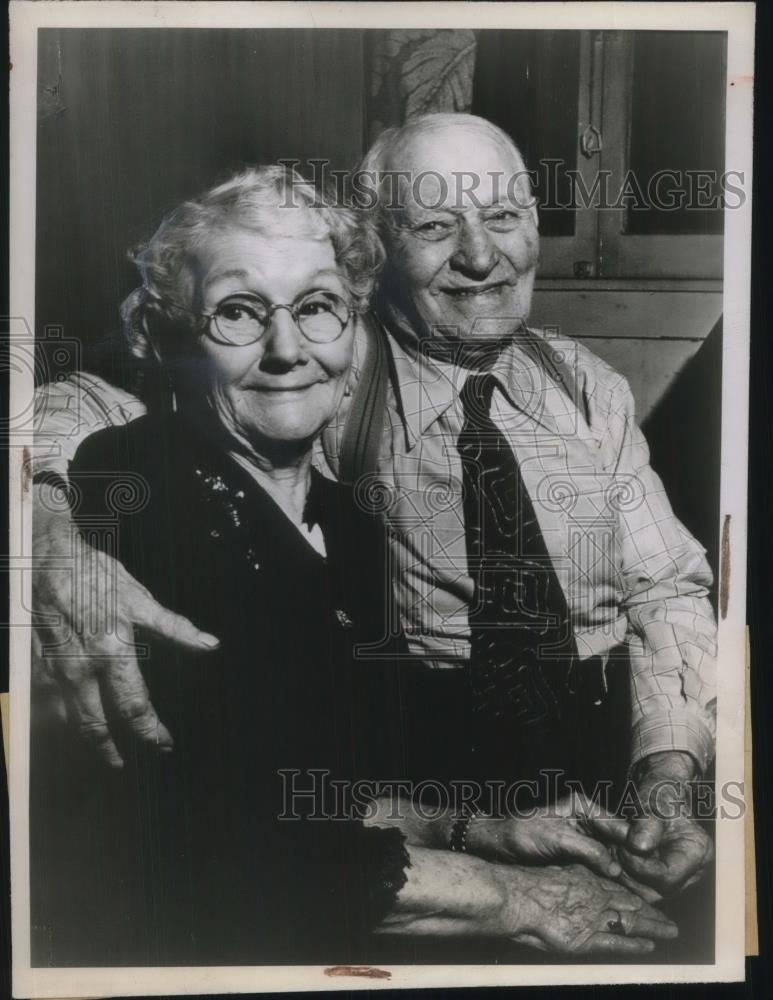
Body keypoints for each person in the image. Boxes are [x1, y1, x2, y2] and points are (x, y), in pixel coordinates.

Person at [31, 115, 716, 905]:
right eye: (434, 226)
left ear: (534, 222)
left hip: (611, 765)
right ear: (379, 246)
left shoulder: (583, 384)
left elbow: (666, 591)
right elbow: (87, 397)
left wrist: (665, 782)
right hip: (431, 791)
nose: (480, 255)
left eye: (502, 216)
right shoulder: (326, 358)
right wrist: (48, 528)